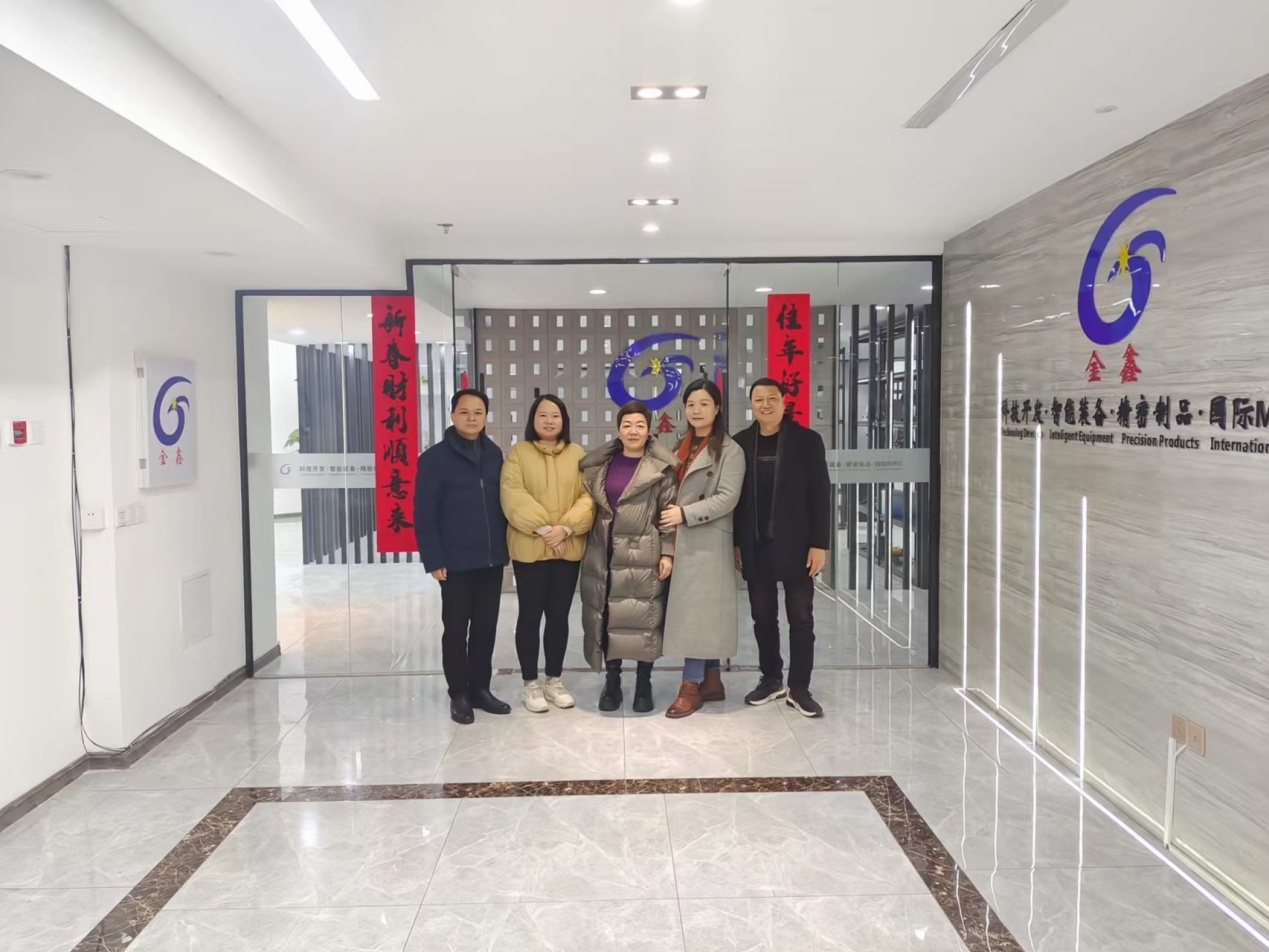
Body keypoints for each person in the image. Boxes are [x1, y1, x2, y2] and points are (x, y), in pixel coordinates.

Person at [732, 378, 831, 717]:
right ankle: (771, 678)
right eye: (758, 399)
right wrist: (736, 543)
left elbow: (821, 494)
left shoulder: (807, 441)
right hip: (755, 544)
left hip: (798, 545)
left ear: (785, 401)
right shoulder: (741, 443)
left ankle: (799, 687)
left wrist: (820, 543)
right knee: (762, 617)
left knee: (801, 618)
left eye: (772, 398)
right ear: (751, 404)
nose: (765, 405)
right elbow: (735, 500)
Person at [414, 389, 512, 725]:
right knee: (456, 629)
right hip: (454, 562)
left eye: (478, 412)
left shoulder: (494, 454)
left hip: (490, 559)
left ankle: (480, 688)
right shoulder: (434, 459)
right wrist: (433, 558)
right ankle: (458, 693)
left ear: (486, 416)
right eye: (465, 412)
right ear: (453, 415)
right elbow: (424, 514)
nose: (472, 418)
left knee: (486, 628)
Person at [579, 401, 678, 713]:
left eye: (639, 425)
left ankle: (644, 682)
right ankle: (612, 681)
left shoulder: (660, 469)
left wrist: (667, 552)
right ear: (618, 430)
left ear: (649, 431)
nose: (633, 431)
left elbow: (667, 514)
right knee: (608, 616)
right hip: (603, 552)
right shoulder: (600, 466)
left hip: (643, 553)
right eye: (627, 425)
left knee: (644, 619)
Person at [500, 395, 594, 713]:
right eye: (543, 415)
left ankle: (554, 680)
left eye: (555, 415)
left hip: (567, 548)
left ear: (564, 420)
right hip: (530, 548)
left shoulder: (577, 454)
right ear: (533, 419)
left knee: (558, 617)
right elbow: (512, 495)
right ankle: (530, 683)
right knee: (530, 616)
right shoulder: (519, 454)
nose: (549, 420)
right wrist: (543, 529)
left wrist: (565, 528)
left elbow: (587, 497)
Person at [660, 379, 746, 718]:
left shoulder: (730, 450)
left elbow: (727, 498)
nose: (696, 410)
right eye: (691, 404)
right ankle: (712, 679)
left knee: (698, 615)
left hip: (708, 540)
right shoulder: (680, 444)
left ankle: (690, 685)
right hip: (681, 537)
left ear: (717, 408)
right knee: (699, 613)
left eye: (704, 404)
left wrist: (685, 514)